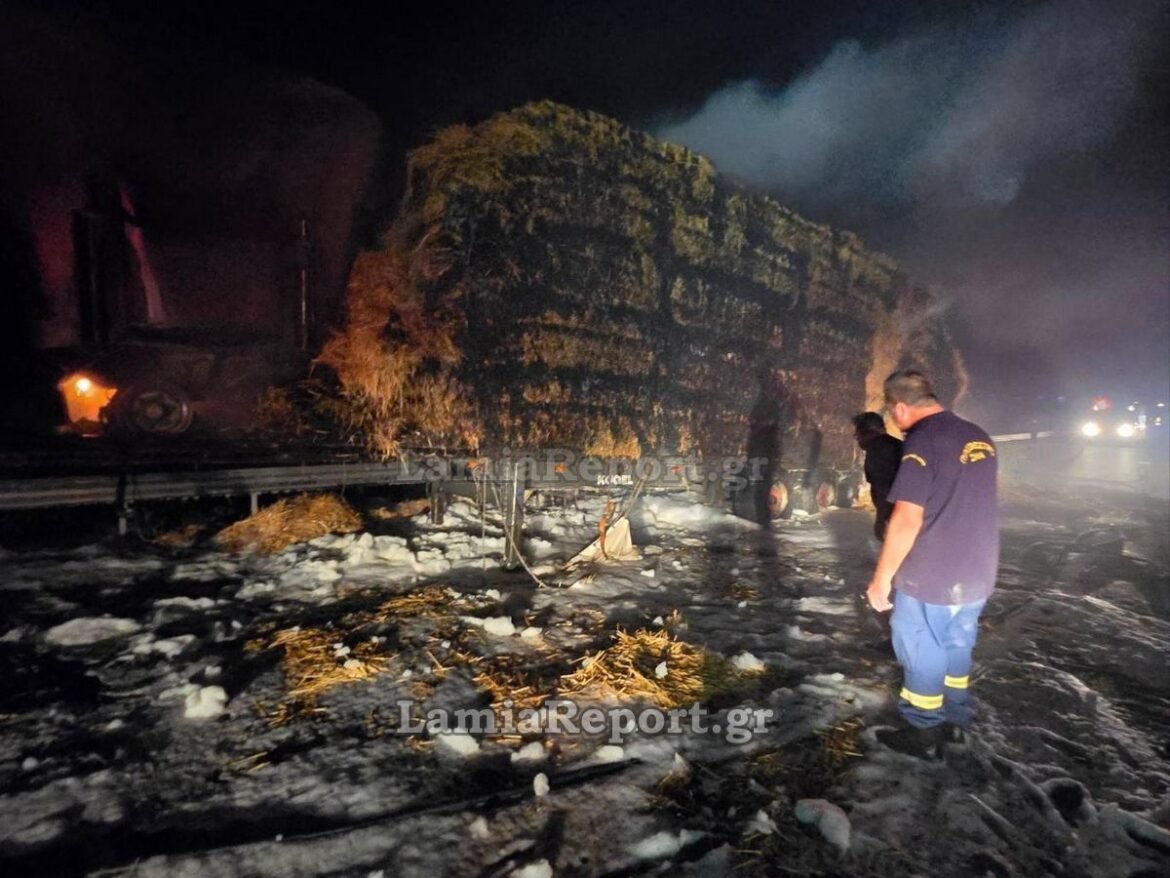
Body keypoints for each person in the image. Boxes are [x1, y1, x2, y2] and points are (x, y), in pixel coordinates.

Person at [865, 370, 999, 759]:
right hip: (977, 571)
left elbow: (907, 518)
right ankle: (956, 722)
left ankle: (923, 732)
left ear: (901, 406)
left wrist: (881, 579)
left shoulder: (923, 441)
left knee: (922, 647)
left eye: (892, 414)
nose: (895, 422)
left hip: (934, 573)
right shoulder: (979, 436)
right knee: (958, 645)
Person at [852, 411, 902, 541]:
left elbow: (883, 486)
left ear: (867, 432)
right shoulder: (894, 444)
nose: (856, 437)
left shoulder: (878, 449)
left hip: (896, 516)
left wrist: (882, 519)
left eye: (858, 432)